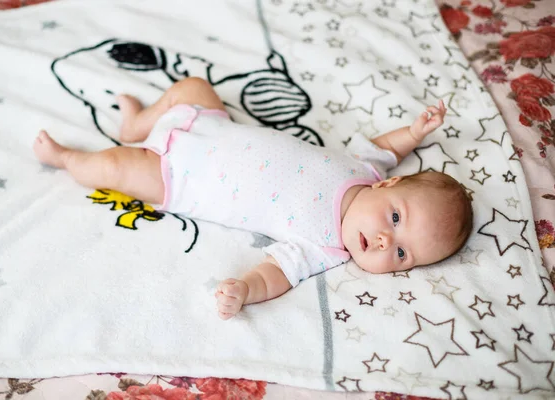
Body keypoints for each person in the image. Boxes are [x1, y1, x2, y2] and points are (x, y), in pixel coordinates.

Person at [33, 77, 473, 320]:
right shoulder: (366, 168)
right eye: (395, 219)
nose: (382, 241)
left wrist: (245, 289)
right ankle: (139, 125)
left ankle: (68, 158)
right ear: (386, 186)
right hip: (207, 125)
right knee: (193, 87)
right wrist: (414, 133)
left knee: (111, 168)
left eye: (401, 253)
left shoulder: (325, 246)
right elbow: (388, 146)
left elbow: (275, 272)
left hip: (176, 177)